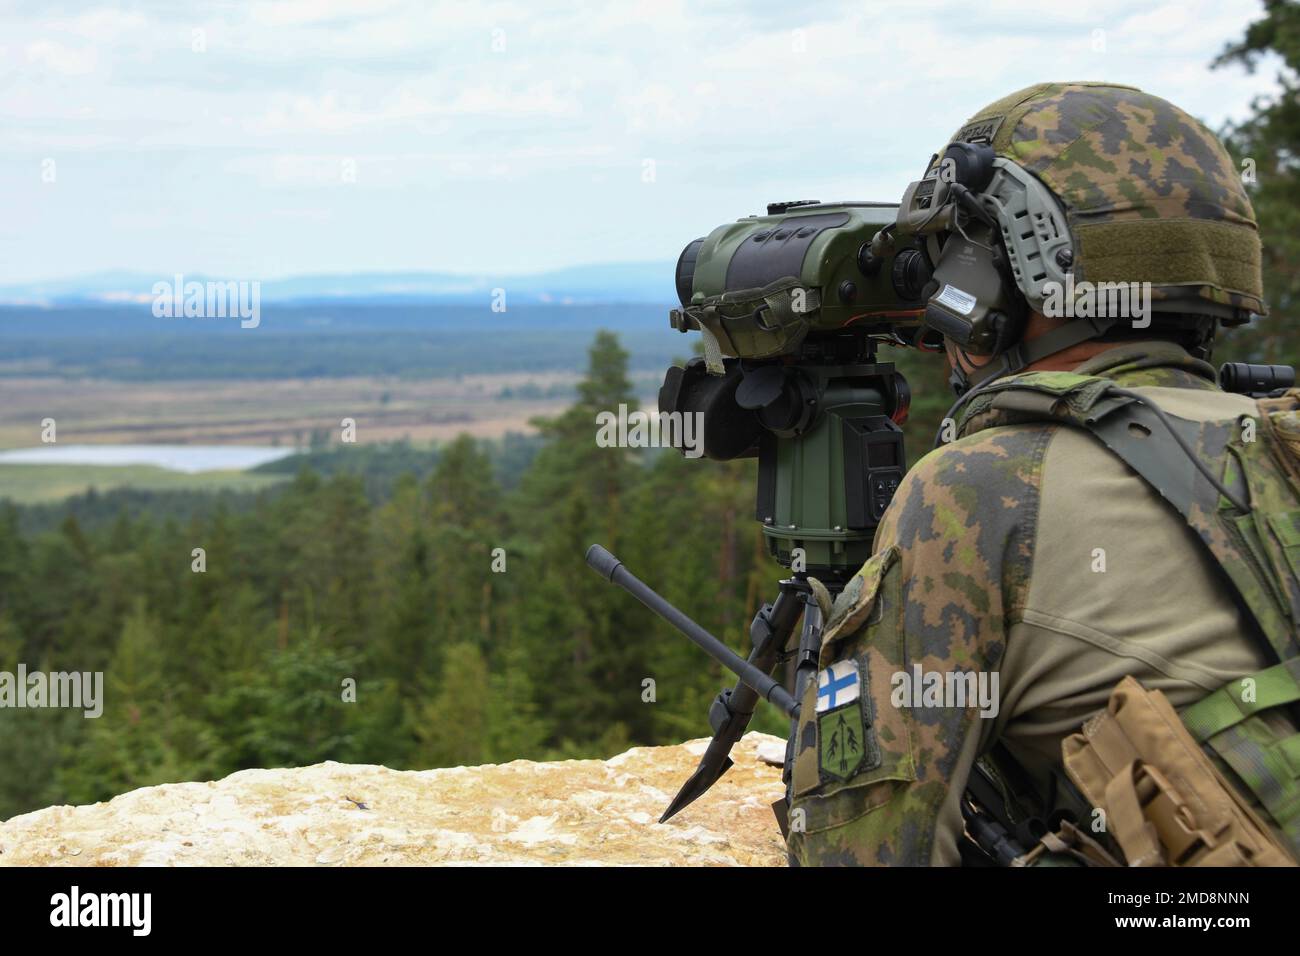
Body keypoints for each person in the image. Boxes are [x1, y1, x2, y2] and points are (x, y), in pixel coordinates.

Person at [786, 82, 1300, 867]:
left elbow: (861, 857)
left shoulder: (974, 488)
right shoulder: (1282, 439)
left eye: (954, 256)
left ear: (999, 278)